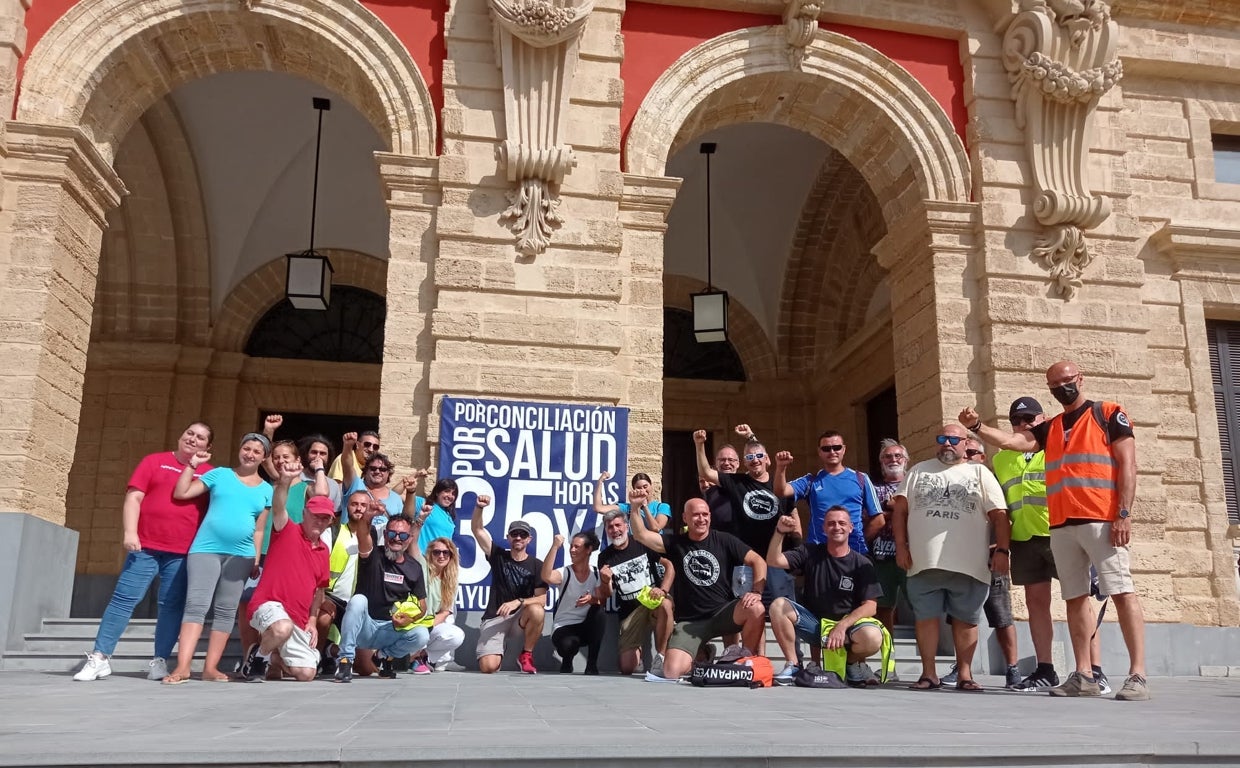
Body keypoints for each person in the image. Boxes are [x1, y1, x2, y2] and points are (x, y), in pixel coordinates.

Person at [960, 360, 1149, 701]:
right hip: (1061, 525)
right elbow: (1014, 442)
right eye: (1055, 384)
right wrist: (977, 426)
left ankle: (1138, 674)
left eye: (1067, 380)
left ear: (1081, 378)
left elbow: (1128, 465)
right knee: (1074, 599)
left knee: (1122, 591)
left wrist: (1123, 514)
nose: (1063, 387)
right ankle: (1083, 675)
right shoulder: (1053, 426)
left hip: (1101, 519)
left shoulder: (1107, 413)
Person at [74, 423, 215, 683]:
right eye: (190, 434)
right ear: (180, 435)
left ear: (208, 447)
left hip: (183, 552)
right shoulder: (154, 461)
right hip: (145, 546)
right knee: (123, 600)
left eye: (201, 438)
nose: (193, 439)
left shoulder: (209, 474)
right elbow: (134, 498)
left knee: (170, 606)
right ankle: (100, 657)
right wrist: (130, 532)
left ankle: (160, 660)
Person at [989, 397, 1110, 693]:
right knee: (1036, 604)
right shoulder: (1002, 457)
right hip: (1024, 538)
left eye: (1030, 418)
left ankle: (1094, 670)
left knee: (1078, 599)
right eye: (1017, 420)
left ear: (1043, 419)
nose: (1024, 424)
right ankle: (1045, 669)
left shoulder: (1057, 445)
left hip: (1060, 532)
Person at [891, 424, 1009, 692]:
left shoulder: (979, 472)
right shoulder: (918, 470)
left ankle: (964, 675)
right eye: (942, 439)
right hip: (923, 562)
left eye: (953, 439)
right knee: (925, 618)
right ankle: (929, 674)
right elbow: (900, 511)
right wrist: (901, 546)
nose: (947, 444)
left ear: (965, 443)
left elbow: (1000, 514)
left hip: (970, 563)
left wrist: (1002, 550)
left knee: (966, 619)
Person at [161, 433, 273, 684]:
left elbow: (259, 529)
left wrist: (255, 560)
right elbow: (182, 492)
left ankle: (210, 668)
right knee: (196, 606)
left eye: (257, 451)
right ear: (239, 450)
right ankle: (182, 667)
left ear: (263, 457)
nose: (250, 454)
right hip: (205, 550)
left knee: (226, 611)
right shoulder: (220, 474)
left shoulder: (266, 489)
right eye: (246, 448)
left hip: (242, 557)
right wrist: (192, 465)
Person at [627, 498, 767, 681]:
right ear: (685, 518)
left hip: (722, 614)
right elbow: (641, 535)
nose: (701, 519)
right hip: (690, 622)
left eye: (705, 514)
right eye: (695, 515)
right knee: (671, 672)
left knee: (756, 608)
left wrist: (756, 591)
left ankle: (745, 659)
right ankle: (703, 654)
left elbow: (758, 561)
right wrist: (635, 508)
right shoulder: (675, 543)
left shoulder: (724, 540)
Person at [237, 439, 330, 674]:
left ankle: (275, 660)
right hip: (275, 558)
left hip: (297, 610)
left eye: (325, 518)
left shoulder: (323, 549)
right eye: (316, 515)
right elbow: (279, 508)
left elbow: (319, 590)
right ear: (306, 513)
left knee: (307, 674)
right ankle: (255, 656)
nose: (319, 520)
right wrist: (285, 480)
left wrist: (311, 620)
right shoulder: (288, 526)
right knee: (279, 625)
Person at [766, 506, 883, 685]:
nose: (837, 527)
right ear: (824, 528)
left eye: (842, 523)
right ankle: (794, 664)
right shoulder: (810, 552)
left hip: (847, 630)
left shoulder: (862, 563)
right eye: (831, 523)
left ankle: (851, 664)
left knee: (873, 637)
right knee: (778, 606)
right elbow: (774, 560)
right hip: (815, 626)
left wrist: (842, 626)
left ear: (851, 528)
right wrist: (779, 532)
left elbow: (871, 606)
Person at [941, 438, 1020, 688]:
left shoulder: (993, 483)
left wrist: (1000, 551)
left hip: (991, 559)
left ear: (983, 457)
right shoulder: (955, 483)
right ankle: (961, 667)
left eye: (973, 452)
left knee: (1001, 616)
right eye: (966, 452)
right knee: (960, 616)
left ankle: (1012, 668)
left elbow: (1004, 519)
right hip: (963, 562)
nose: (968, 456)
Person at [694, 425, 795, 605]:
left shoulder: (779, 487)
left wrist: (796, 551)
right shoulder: (737, 482)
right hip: (747, 564)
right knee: (750, 615)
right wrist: (699, 445)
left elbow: (794, 518)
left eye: (758, 457)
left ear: (767, 460)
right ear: (745, 463)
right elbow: (706, 472)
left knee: (782, 615)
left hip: (776, 564)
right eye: (749, 457)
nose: (754, 460)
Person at [333, 508, 430, 682]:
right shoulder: (373, 554)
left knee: (422, 634)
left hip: (390, 628)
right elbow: (363, 534)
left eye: (402, 535)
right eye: (392, 533)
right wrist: (368, 516)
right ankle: (345, 660)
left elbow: (423, 607)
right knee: (357, 600)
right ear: (385, 535)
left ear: (409, 539)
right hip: (365, 626)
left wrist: (409, 619)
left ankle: (384, 656)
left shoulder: (414, 568)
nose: (397, 539)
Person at [471, 495, 547, 674]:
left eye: (523, 535)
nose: (518, 537)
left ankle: (526, 655)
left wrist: (518, 602)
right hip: (495, 617)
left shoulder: (537, 564)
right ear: (508, 538)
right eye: (514, 534)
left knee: (537, 610)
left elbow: (542, 599)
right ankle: (498, 646)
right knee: (488, 668)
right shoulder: (498, 555)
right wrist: (479, 508)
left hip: (520, 617)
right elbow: (477, 529)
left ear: (529, 539)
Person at [774, 430, 880, 556]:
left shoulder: (861, 478)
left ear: (844, 449)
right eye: (826, 449)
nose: (832, 452)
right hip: (818, 553)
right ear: (819, 452)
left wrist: (860, 540)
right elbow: (781, 491)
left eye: (836, 447)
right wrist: (781, 467)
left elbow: (879, 519)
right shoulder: (811, 481)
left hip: (855, 553)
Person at [597, 507, 674, 676]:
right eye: (610, 527)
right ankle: (635, 649)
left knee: (666, 605)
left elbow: (669, 566)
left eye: (618, 525)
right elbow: (607, 594)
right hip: (630, 611)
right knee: (626, 668)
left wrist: (663, 590)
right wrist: (604, 580)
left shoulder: (642, 543)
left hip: (654, 599)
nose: (615, 530)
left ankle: (661, 656)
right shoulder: (604, 557)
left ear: (626, 526)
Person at [315, 489, 369, 674]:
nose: (359, 508)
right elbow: (318, 569)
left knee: (366, 668)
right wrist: (320, 598)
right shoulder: (332, 533)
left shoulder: (374, 536)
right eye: (355, 504)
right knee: (323, 618)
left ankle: (331, 651)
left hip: (358, 602)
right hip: (332, 596)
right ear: (347, 507)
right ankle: (316, 659)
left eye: (364, 505)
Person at [541, 531, 606, 674]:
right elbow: (546, 576)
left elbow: (603, 599)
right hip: (564, 626)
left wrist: (592, 599)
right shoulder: (565, 573)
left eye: (577, 547)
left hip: (586, 627)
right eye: (571, 546)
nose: (572, 550)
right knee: (568, 645)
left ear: (588, 550)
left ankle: (591, 665)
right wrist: (555, 547)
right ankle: (567, 660)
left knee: (599, 612)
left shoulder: (596, 573)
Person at [407, 518, 466, 672]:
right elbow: (412, 543)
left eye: (446, 552)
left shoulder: (451, 579)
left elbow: (445, 611)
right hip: (411, 623)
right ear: (430, 554)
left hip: (429, 624)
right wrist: (419, 521)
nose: (441, 556)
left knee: (457, 635)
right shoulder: (422, 566)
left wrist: (428, 627)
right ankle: (411, 658)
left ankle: (423, 657)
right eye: (437, 552)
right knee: (420, 631)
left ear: (451, 555)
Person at [868, 438, 908, 633]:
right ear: (881, 462)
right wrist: (896, 509)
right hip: (880, 556)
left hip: (912, 555)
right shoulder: (873, 489)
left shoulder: (914, 485)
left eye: (898, 456)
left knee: (921, 606)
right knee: (883, 607)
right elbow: (867, 517)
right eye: (888, 456)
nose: (893, 459)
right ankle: (887, 657)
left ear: (906, 460)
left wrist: (889, 510)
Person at [341, 431, 417, 529]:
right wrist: (348, 446)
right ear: (365, 471)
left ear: (388, 473)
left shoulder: (396, 498)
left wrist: (411, 492)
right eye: (373, 468)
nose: (377, 471)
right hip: (352, 542)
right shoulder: (355, 484)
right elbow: (347, 465)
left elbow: (406, 521)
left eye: (382, 469)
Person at [594, 471, 671, 533]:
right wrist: (600, 482)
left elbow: (656, 528)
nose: (643, 490)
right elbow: (598, 508)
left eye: (645, 487)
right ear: (634, 489)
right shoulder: (628, 508)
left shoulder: (662, 507)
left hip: (654, 550)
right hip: (635, 549)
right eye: (638, 488)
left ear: (651, 486)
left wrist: (644, 506)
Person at [702, 444, 741, 534]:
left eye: (731, 460)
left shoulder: (747, 487)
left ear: (738, 463)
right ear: (716, 463)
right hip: (718, 543)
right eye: (722, 460)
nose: (726, 463)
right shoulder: (709, 494)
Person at [416, 478, 457, 553]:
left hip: (440, 559)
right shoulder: (423, 503)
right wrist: (413, 477)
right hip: (423, 558)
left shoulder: (448, 516)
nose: (450, 496)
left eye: (453, 494)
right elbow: (395, 494)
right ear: (437, 492)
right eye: (447, 491)